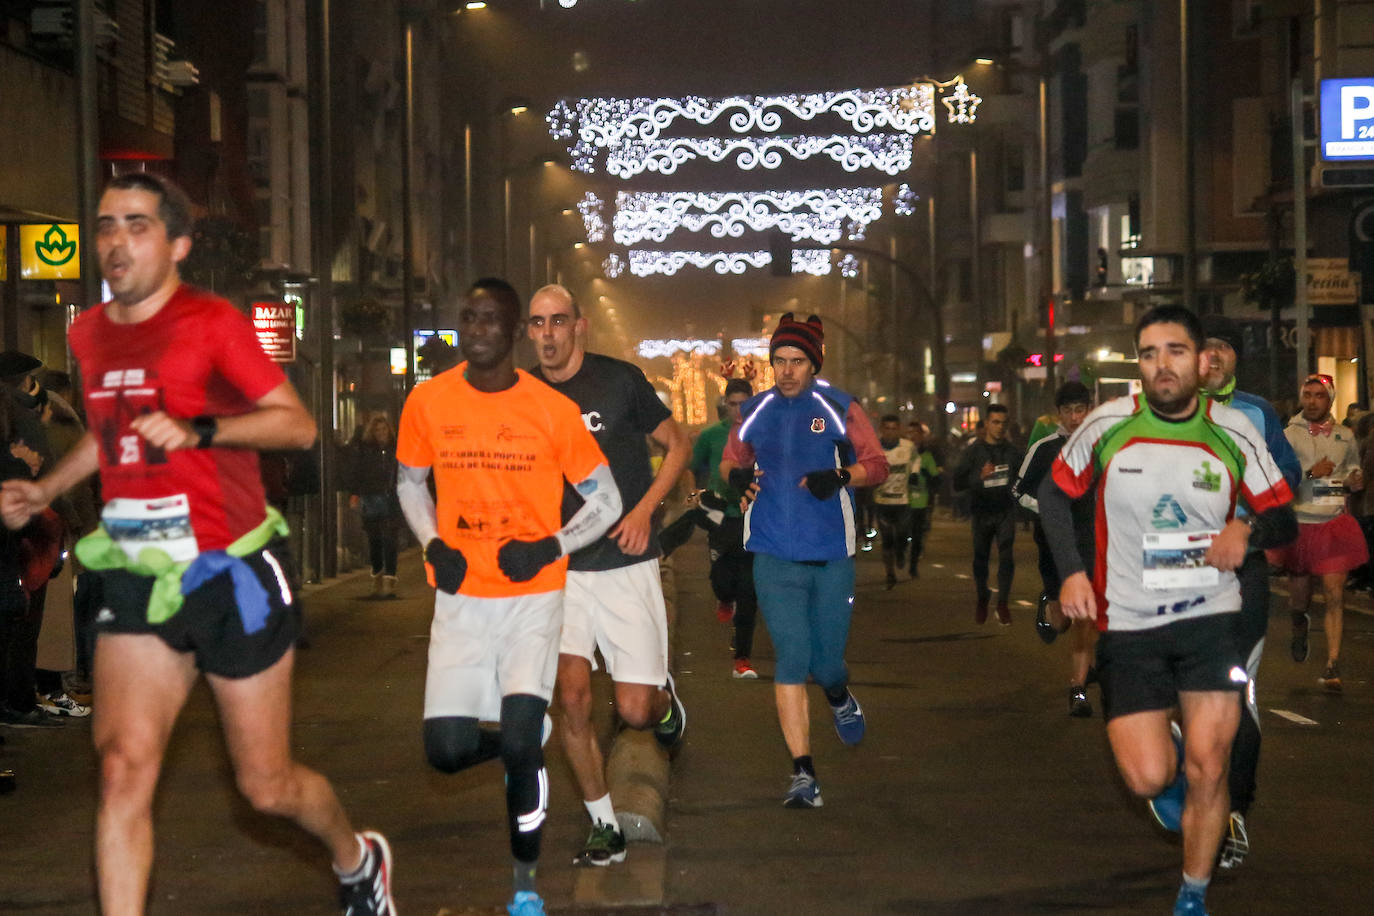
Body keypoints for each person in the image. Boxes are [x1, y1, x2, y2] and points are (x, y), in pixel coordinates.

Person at [0, 173, 394, 915]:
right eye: (107, 224)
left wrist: (200, 430)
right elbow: (108, 431)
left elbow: (297, 425)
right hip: (139, 570)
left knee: (265, 785)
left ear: (178, 244)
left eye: (137, 225)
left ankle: (356, 858)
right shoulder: (89, 332)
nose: (115, 240)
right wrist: (46, 489)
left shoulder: (213, 324)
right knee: (121, 771)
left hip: (230, 566)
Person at [1041, 305, 1295, 916]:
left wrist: (1246, 529)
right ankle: (1172, 765)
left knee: (1213, 767)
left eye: (1175, 350)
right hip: (1129, 625)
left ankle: (1193, 892)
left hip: (1213, 618)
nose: (1163, 364)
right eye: (1150, 353)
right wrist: (1073, 572)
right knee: (1148, 778)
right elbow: (1056, 492)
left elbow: (1282, 512)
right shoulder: (1108, 423)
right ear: (1139, 362)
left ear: (1201, 358)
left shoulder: (1233, 429)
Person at [397, 278, 620, 916]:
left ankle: (525, 882)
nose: (477, 330)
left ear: (515, 327)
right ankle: (528, 736)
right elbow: (411, 483)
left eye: (491, 319)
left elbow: (605, 499)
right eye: (468, 318)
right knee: (445, 753)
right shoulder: (429, 400)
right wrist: (433, 542)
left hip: (532, 598)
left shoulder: (550, 410)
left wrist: (551, 547)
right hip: (461, 599)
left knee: (520, 744)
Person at [526, 283, 689, 868]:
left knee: (635, 711)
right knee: (570, 699)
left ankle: (666, 704)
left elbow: (677, 445)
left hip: (625, 560)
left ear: (580, 326)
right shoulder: (520, 395)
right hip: (561, 570)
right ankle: (603, 825)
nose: (547, 334)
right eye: (537, 323)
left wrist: (644, 511)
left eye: (558, 322)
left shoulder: (620, 381)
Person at [719, 313, 887, 808]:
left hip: (832, 557)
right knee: (791, 660)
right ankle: (803, 773)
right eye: (780, 362)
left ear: (814, 363)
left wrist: (838, 478)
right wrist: (733, 478)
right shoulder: (754, 409)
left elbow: (877, 464)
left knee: (827, 665)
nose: (787, 370)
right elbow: (732, 460)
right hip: (772, 556)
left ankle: (839, 696)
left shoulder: (839, 408)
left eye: (797, 361)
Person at [1196, 315, 1301, 869]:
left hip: (1244, 573)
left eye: (1223, 349)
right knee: (1181, 686)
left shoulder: (1257, 412)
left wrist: (1247, 521)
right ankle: (1189, 785)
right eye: (1204, 348)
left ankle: (1235, 807)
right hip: (1177, 576)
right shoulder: (1164, 415)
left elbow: (1287, 482)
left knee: (1240, 690)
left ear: (1236, 358)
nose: (1213, 357)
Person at [1267, 373, 1367, 692]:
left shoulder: (1345, 436)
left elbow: (1352, 468)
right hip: (1300, 525)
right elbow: (1279, 484)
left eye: (1318, 395)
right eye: (1307, 395)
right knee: (1299, 601)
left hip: (1333, 523)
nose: (1311, 401)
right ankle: (1300, 624)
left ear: (1330, 399)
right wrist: (1311, 474)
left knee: (1335, 594)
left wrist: (1354, 479)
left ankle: (1332, 665)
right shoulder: (1286, 435)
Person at [663, 379, 760, 677]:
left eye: (745, 403)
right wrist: (694, 493)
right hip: (720, 514)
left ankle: (742, 659)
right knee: (721, 579)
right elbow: (690, 465)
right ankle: (723, 596)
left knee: (749, 590)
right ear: (725, 405)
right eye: (733, 404)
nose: (739, 410)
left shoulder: (763, 434)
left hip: (754, 518)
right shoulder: (711, 435)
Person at [1014, 380, 1096, 717]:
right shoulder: (1045, 448)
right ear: (1058, 414)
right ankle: (1048, 607)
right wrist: (1049, 512)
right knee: (1063, 621)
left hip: (1093, 545)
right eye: (1069, 411)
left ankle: (1078, 687)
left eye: (1081, 410)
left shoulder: (1103, 447)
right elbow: (1018, 490)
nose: (1076, 418)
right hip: (1054, 546)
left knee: (1086, 618)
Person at [952, 403, 1023, 624]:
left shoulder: (1013, 452)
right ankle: (983, 596)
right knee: (980, 559)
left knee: (1006, 555)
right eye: (995, 422)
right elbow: (957, 483)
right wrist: (979, 477)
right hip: (982, 511)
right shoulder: (973, 452)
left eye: (1004, 423)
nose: (1000, 427)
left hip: (1005, 510)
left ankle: (1002, 602)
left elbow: (1024, 479)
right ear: (986, 424)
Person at [348, 414, 403, 598]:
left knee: (390, 540)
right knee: (375, 541)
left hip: (391, 498)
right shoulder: (366, 450)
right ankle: (377, 579)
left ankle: (389, 581)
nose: (381, 433)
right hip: (371, 498)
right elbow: (357, 472)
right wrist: (355, 493)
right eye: (378, 430)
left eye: (384, 429)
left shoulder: (396, 449)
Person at [873, 415, 914, 589]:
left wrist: (915, 476)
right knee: (887, 538)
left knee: (902, 534)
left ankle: (901, 551)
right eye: (887, 428)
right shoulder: (874, 448)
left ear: (899, 430)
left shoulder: (908, 447)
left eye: (894, 428)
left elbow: (916, 463)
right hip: (882, 500)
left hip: (902, 501)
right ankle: (890, 573)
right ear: (881, 429)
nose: (890, 432)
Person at [904, 421, 940, 578]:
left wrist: (925, 474)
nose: (913, 436)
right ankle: (900, 551)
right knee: (901, 532)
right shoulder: (901, 453)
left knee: (918, 535)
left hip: (921, 501)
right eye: (909, 433)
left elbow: (936, 479)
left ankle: (913, 565)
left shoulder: (926, 455)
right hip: (902, 501)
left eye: (916, 433)